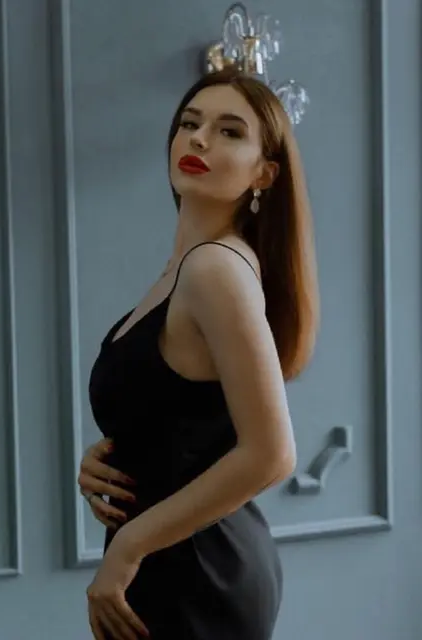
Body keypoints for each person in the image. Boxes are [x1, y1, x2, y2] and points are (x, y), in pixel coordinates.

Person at [78, 68, 319, 639]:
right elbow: (183, 415)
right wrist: (110, 455)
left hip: (194, 571)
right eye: (189, 123)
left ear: (265, 173)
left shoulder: (215, 269)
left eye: (229, 131)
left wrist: (128, 548)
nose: (199, 139)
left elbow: (272, 454)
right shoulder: (190, 266)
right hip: (175, 558)